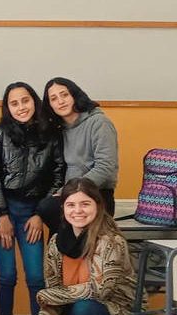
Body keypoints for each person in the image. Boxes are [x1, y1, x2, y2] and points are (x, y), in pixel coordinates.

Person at [27, 177, 150, 315]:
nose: (78, 211)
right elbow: (55, 294)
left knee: (86, 307)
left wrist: (49, 294)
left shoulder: (111, 240)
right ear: (63, 208)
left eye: (85, 204)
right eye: (71, 205)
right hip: (79, 312)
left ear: (98, 206)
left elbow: (100, 290)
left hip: (115, 314)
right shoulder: (56, 242)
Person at [0, 82, 64, 315]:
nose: (21, 107)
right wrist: (1, 214)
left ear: (34, 102)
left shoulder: (52, 134)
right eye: (14, 103)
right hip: (0, 212)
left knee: (36, 277)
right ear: (7, 107)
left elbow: (58, 175)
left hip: (33, 213)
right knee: (7, 275)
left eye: (25, 101)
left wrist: (41, 214)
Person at [38, 77, 119, 234]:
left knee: (48, 208)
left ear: (75, 95)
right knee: (47, 213)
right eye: (54, 99)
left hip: (97, 195)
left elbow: (106, 167)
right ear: (50, 106)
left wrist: (69, 191)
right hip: (70, 197)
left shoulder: (99, 123)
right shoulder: (60, 129)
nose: (60, 101)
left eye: (64, 95)